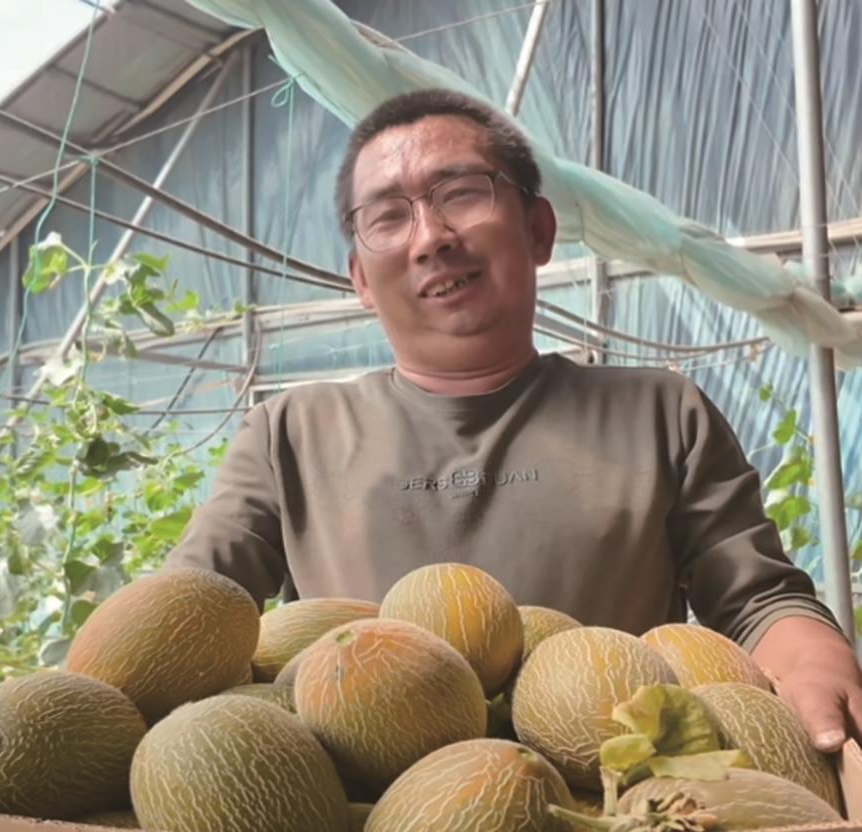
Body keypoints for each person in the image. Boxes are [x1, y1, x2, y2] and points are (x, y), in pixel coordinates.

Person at [167, 88, 861, 754]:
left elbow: (757, 600)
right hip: (362, 808)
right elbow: (179, 615)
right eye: (388, 216)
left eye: (461, 194)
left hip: (618, 796)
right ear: (359, 280)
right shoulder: (288, 434)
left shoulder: (661, 413)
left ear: (538, 230)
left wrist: (814, 662)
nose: (431, 238)